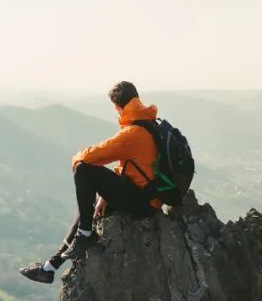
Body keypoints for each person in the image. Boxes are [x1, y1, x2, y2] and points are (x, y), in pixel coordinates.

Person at [19, 81, 161, 284]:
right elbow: (136, 169)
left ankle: (84, 234)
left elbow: (87, 158)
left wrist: (76, 159)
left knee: (83, 170)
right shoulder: (149, 125)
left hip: (143, 203)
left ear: (118, 107)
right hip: (146, 197)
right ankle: (49, 267)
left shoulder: (133, 133)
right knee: (90, 206)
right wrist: (104, 196)